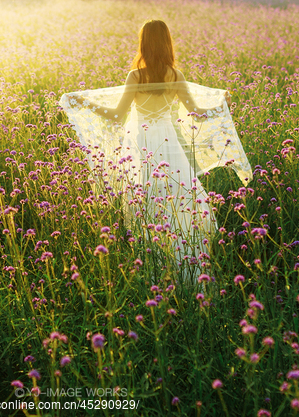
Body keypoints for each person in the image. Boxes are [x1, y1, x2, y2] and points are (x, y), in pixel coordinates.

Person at [59, 20, 250, 282]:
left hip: (141, 144)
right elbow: (197, 114)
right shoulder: (175, 75)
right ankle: (188, 260)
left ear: (144, 44)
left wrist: (85, 103)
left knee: (147, 200)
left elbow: (116, 116)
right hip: (168, 142)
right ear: (167, 43)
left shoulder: (136, 76)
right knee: (178, 196)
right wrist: (220, 106)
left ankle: (156, 266)